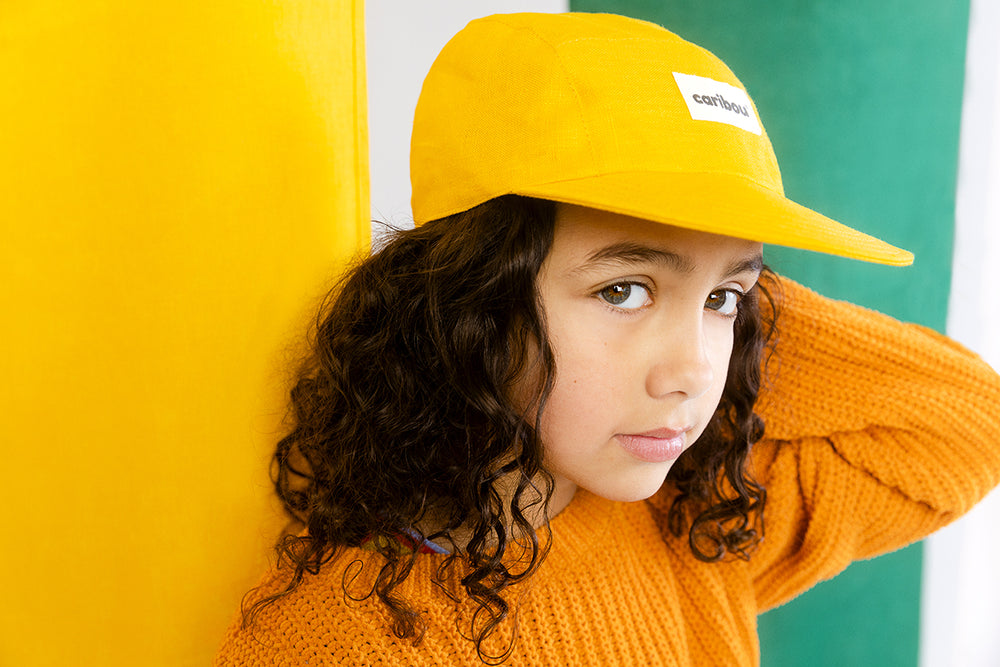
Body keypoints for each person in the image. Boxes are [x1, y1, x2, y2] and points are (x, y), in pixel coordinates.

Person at [215, 12, 1000, 666]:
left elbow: (969, 423)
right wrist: (710, 278)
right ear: (466, 303)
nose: (693, 369)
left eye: (728, 299)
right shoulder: (351, 639)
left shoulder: (698, 524)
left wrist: (732, 297)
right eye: (622, 290)